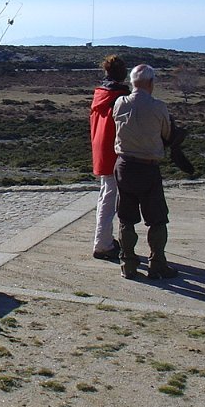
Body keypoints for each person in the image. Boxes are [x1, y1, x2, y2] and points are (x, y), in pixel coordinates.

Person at [112, 64, 177, 280]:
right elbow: (167, 133)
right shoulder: (158, 107)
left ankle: (128, 263)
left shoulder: (120, 103)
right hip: (148, 167)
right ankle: (157, 263)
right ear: (151, 83)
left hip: (124, 165)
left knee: (126, 217)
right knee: (157, 218)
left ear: (132, 82)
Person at [89, 55, 129, 261]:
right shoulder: (120, 97)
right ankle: (103, 243)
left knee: (105, 195)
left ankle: (104, 239)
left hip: (100, 147)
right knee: (110, 199)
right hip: (115, 149)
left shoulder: (100, 95)